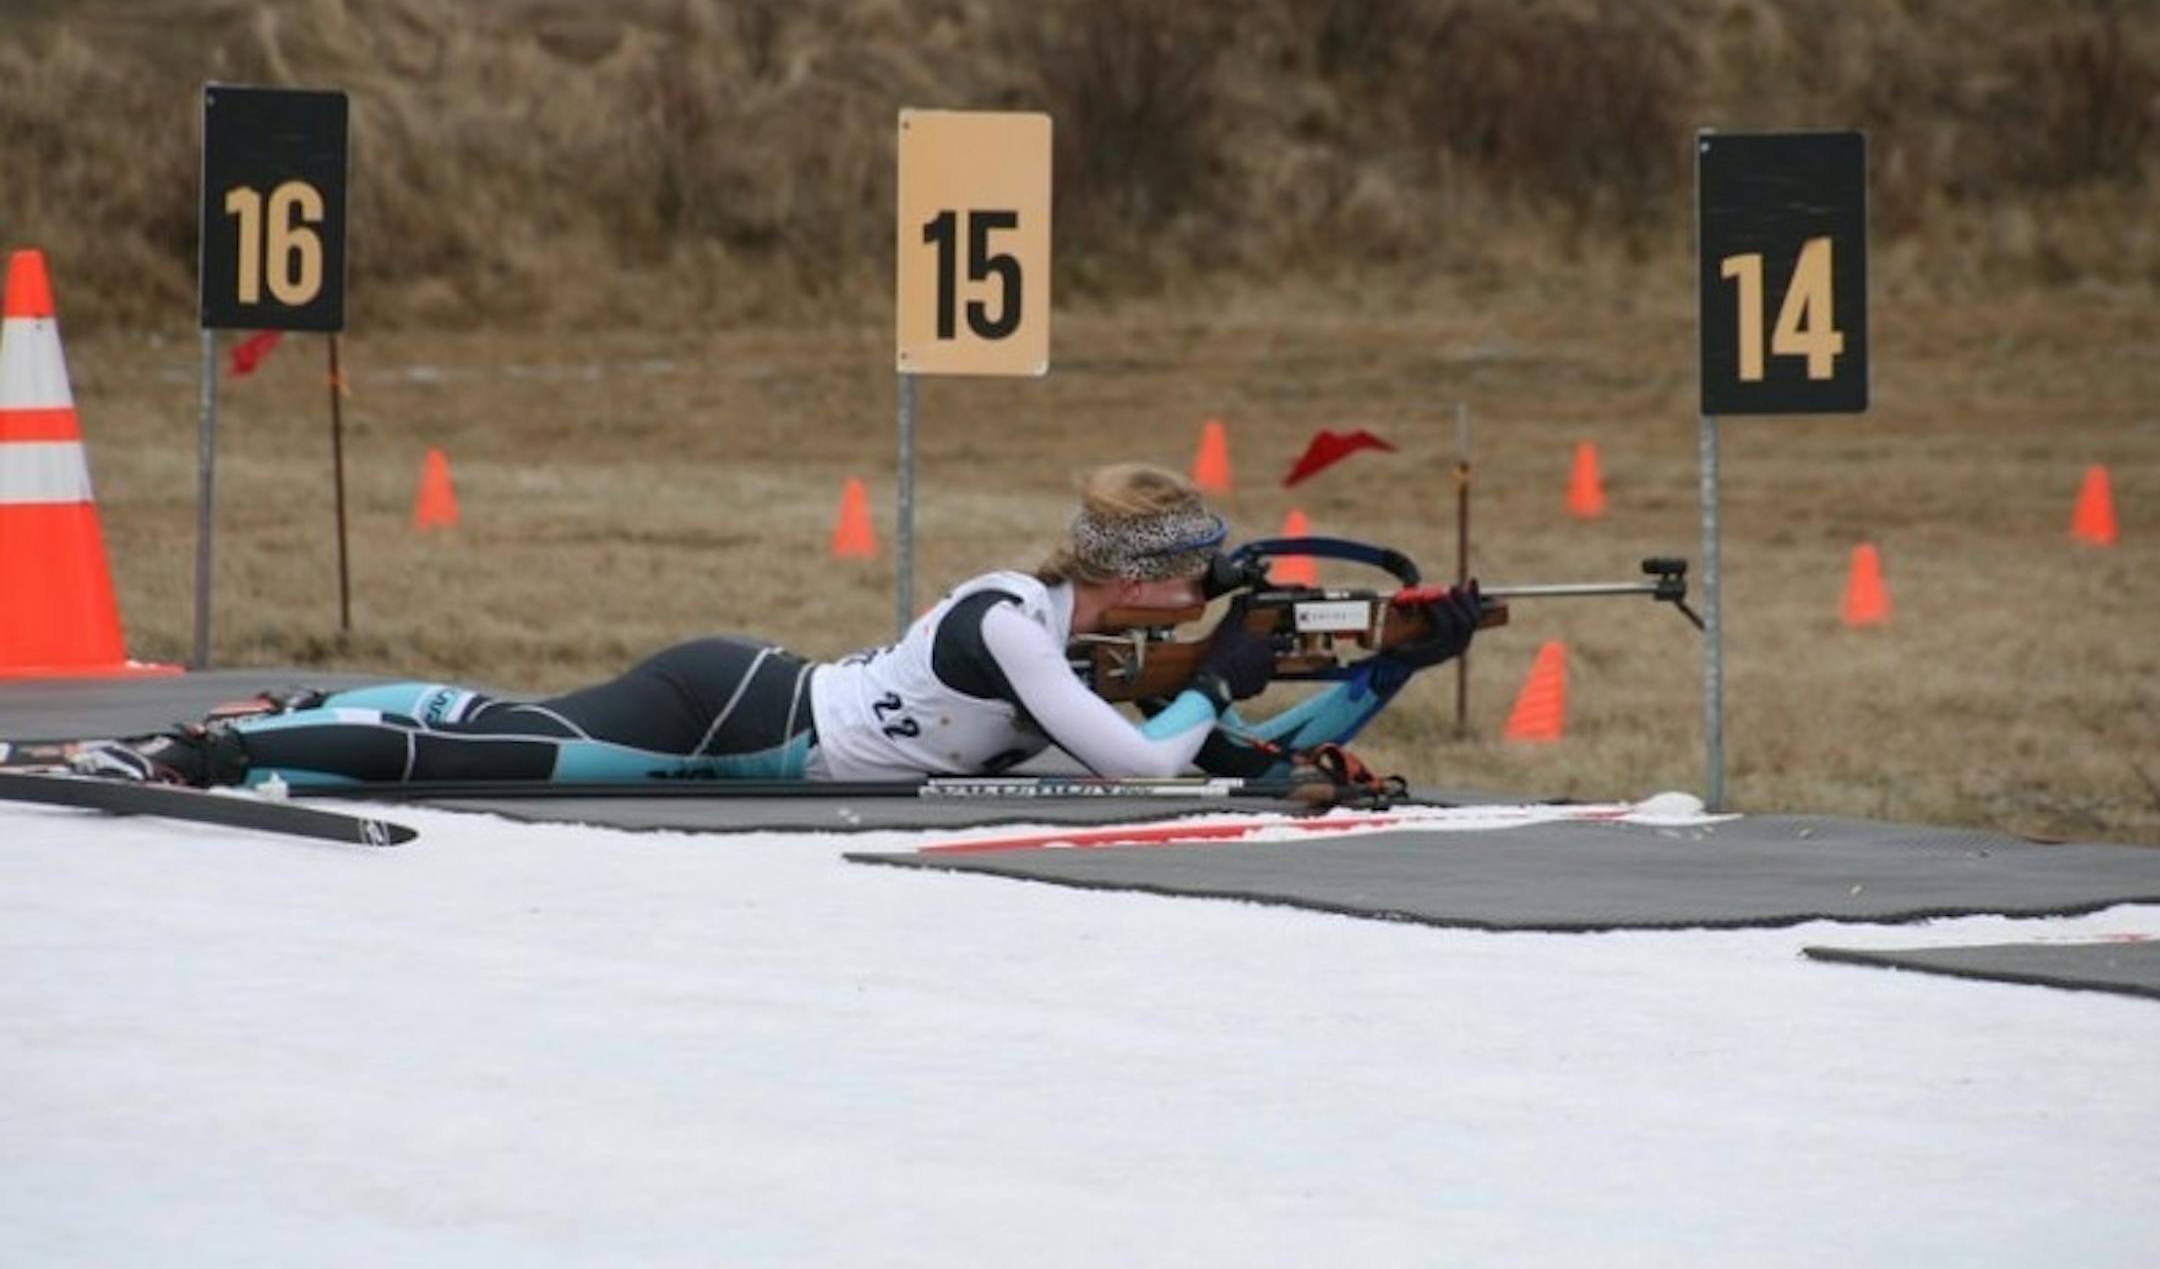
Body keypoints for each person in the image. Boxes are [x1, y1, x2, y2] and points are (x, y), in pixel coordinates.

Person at [77, 463, 1482, 790]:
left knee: (500, 724)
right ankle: (203, 750)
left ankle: (290, 715)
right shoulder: (1016, 627)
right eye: (1196, 580)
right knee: (506, 760)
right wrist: (1227, 670)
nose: (1210, 600)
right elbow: (1150, 761)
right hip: (736, 716)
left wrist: (1394, 665)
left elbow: (1233, 747)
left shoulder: (1097, 640)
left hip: (755, 713)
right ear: (1147, 579)